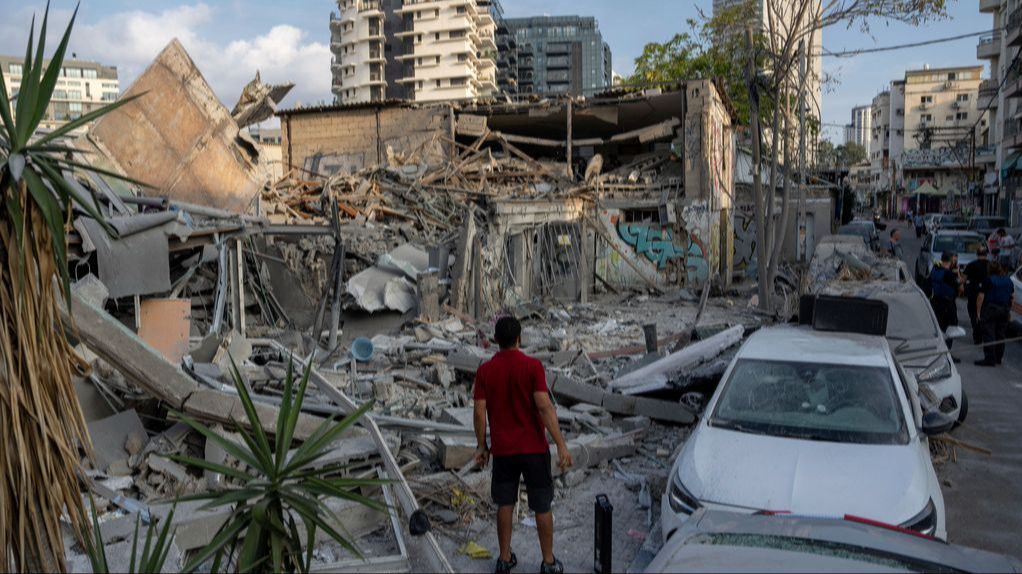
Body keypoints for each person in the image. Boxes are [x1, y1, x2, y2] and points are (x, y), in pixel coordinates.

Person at [473, 316, 572, 574]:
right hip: (534, 450)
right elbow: (544, 406)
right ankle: (548, 562)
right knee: (542, 505)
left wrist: (481, 446)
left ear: (496, 340)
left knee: (505, 504)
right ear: (519, 338)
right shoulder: (532, 367)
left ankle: (504, 559)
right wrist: (561, 445)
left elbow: (479, 411)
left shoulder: (485, 371)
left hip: (503, 451)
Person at [975, 262, 1014, 367]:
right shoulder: (1009, 281)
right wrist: (1009, 311)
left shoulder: (988, 280)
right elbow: (1011, 297)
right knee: (1000, 334)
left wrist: (978, 312)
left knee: (989, 333)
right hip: (1004, 309)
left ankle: (989, 359)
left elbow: (981, 296)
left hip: (991, 309)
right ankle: (998, 358)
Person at [930, 251, 961, 359]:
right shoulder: (948, 274)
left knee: (939, 327)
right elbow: (959, 288)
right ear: (951, 260)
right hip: (947, 305)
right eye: (954, 260)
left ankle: (938, 350)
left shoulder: (935, 269)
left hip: (936, 302)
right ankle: (946, 353)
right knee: (950, 328)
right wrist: (957, 274)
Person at [963, 248, 990, 345]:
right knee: (985, 315)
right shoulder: (990, 265)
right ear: (986, 254)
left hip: (973, 294)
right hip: (988, 295)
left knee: (974, 316)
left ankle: (977, 337)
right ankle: (984, 335)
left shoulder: (971, 265)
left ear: (977, 254)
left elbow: (964, 279)